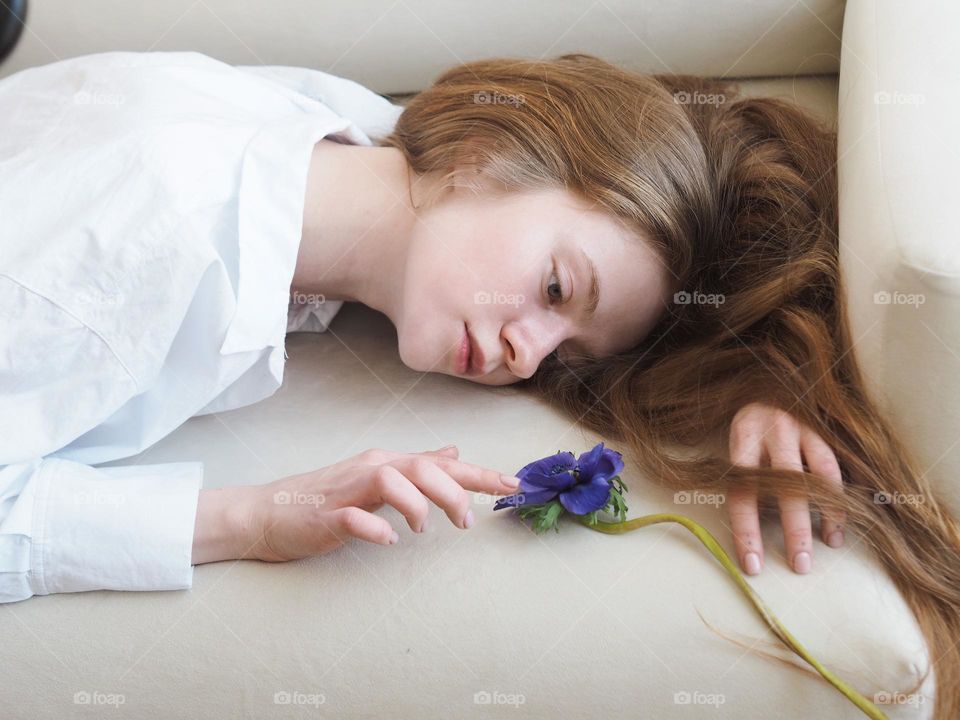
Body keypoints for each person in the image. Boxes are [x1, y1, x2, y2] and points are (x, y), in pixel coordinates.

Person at [2, 50, 959, 717]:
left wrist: (757, 382)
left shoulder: (330, 142)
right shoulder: (132, 259)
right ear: (484, 156)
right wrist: (250, 520)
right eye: (553, 290)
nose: (527, 354)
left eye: (567, 350)